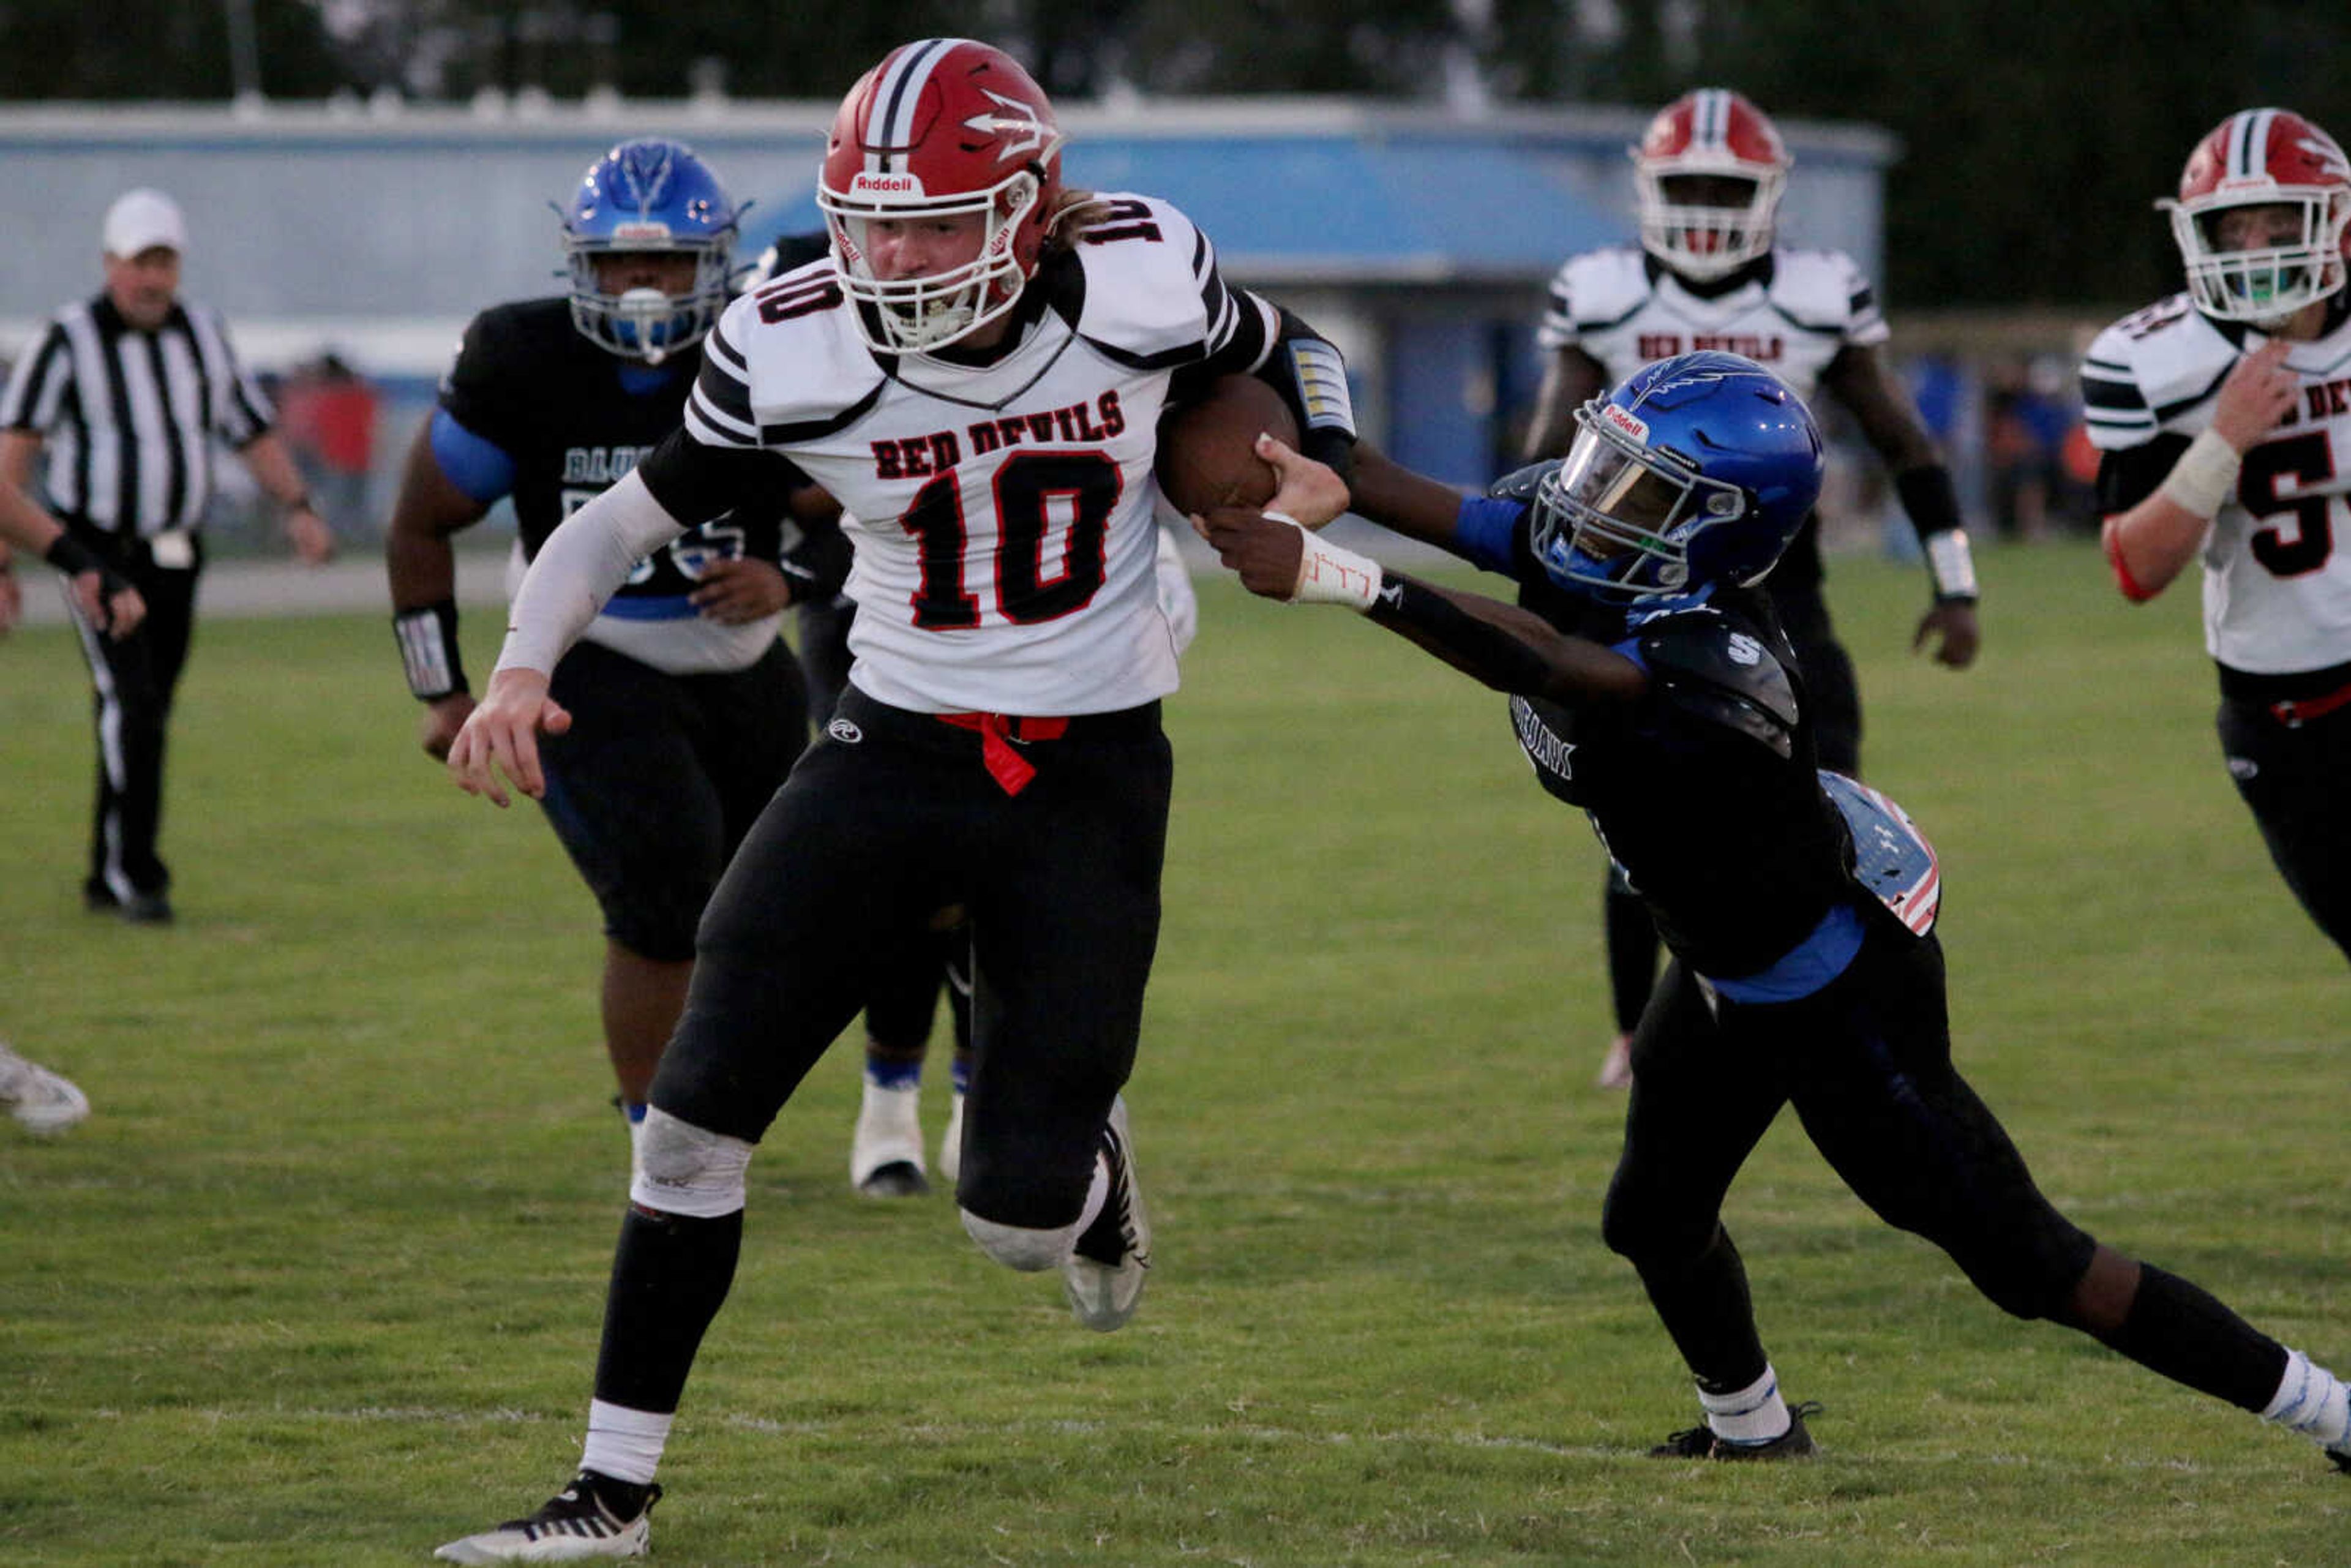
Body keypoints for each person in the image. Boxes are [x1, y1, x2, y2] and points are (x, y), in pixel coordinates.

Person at [432, 39, 1355, 1561]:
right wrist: (523, 665)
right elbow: (609, 522)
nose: (895, 254)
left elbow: (1288, 340)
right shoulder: (789, 337)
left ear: (1035, 205)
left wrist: (1314, 456)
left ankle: (1094, 1169)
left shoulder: (1136, 272)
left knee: (1012, 1215)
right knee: (688, 1122)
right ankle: (607, 1496)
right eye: (870, 220)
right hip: (892, 735)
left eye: (934, 220)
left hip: (1090, 762)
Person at [1195, 347, 2351, 1472]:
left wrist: (1344, 576)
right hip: (1719, 967)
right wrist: (1322, 440)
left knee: (2039, 1267)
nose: (1591, 499)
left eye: (1638, 489)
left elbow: (1552, 666)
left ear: (1720, 530)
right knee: (1652, 1215)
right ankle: (1753, 1427)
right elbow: (1447, 509)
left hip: (1835, 990)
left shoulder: (1712, 657)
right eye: (1605, 462)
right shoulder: (1607, 550)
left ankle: (2331, 1411)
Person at [387, 140, 845, 1162]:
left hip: (742, 661)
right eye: (619, 266)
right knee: (661, 895)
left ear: (716, 264)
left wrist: (792, 581)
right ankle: (657, 1135)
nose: (643, 288)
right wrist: (441, 690)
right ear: (580, 268)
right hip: (590, 654)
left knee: (760, 909)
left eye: (669, 265)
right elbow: (422, 521)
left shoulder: (763, 348)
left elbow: (863, 507)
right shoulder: (523, 358)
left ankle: (709, 1114)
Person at [1520, 89, 1981, 1089]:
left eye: (1725, 188)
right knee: (1637, 807)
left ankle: (1822, 997)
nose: (1703, 206)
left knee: (1827, 789)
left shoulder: (1816, 292)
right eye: (1685, 184)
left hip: (1781, 586)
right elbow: (1546, 452)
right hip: (1634, 588)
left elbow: (1903, 440)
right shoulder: (1602, 290)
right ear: (1646, 188)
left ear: (1771, 194)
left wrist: (1957, 583)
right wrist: (1536, 574)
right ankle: (1639, 1033)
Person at [0, 187, 333, 926]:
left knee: (142, 710)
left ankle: (101, 868)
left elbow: (249, 429)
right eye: (139, 262)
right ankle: (137, 875)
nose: (152, 279)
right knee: (134, 708)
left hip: (179, 555)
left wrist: (299, 507)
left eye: (165, 262)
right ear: (110, 263)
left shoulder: (204, 335)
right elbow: (14, 452)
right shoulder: (68, 339)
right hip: (95, 550)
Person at [2082, 107, 2351, 966]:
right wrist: (2224, 441)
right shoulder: (2156, 359)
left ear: (2336, 221)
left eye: (2282, 224)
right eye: (2234, 231)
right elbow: (2135, 567)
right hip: (2290, 715)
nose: (2261, 249)